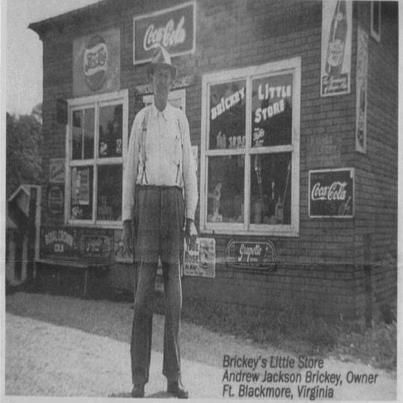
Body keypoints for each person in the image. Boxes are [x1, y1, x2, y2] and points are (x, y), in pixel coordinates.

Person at [122, 45, 198, 399]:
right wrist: (126, 218)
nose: (163, 80)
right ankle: (139, 379)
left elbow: (191, 170)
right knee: (141, 300)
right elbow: (128, 172)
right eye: (157, 74)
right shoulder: (141, 119)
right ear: (150, 80)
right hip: (147, 205)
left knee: (175, 300)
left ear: (172, 79)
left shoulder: (180, 119)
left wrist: (191, 217)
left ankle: (174, 376)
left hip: (174, 206)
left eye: (168, 74)